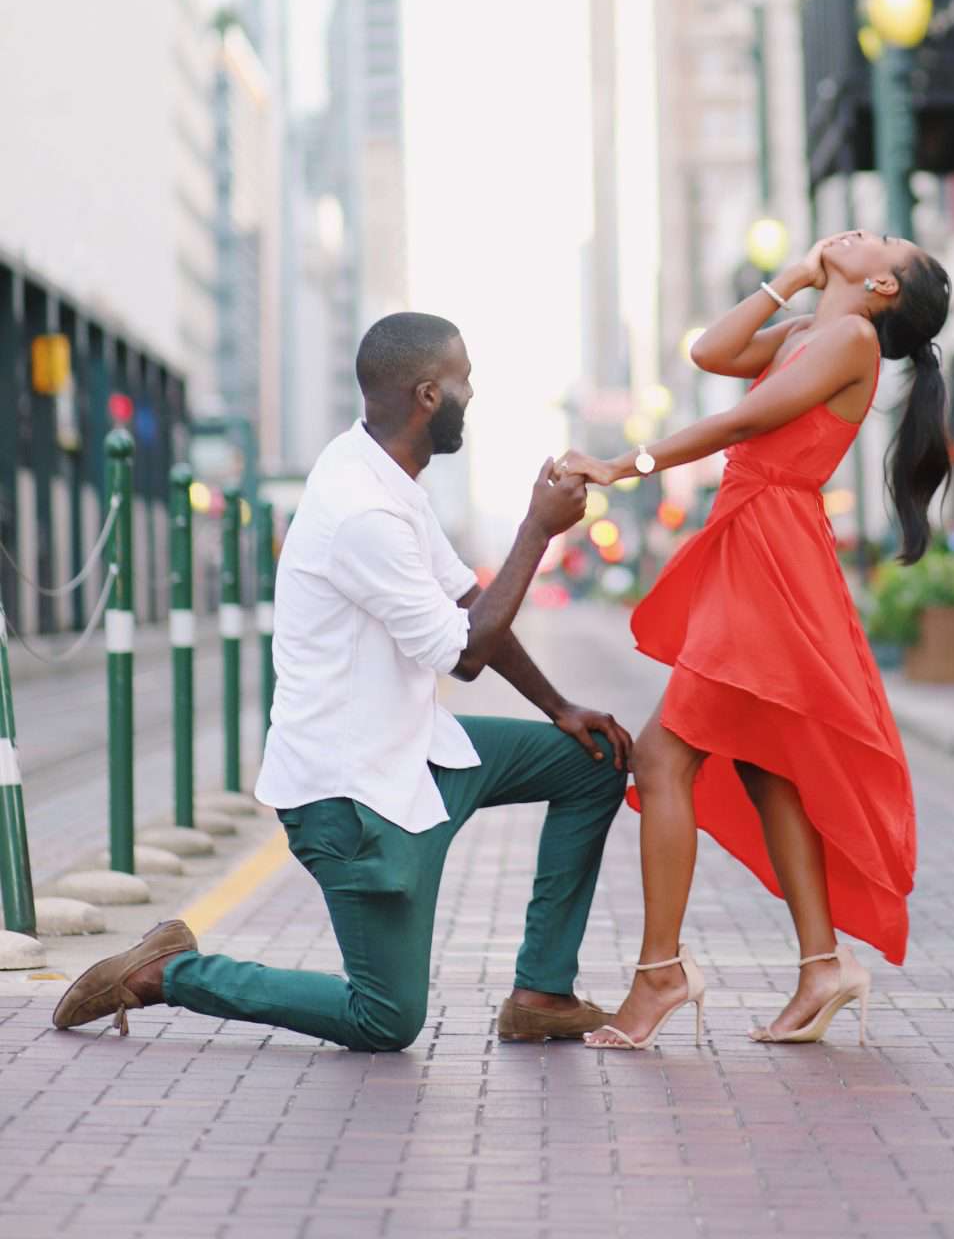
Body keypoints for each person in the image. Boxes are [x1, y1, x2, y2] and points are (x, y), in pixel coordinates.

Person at [54, 313, 632, 1051]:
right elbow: (463, 651)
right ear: (428, 395)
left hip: (420, 755)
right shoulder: (359, 510)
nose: (472, 395)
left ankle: (542, 994)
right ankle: (169, 974)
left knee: (592, 760)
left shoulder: (384, 475)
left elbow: (464, 601)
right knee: (385, 1020)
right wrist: (535, 531)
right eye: (465, 382)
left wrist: (560, 707)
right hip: (352, 798)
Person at [561, 229, 951, 1051]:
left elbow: (744, 419)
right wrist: (792, 277)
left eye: (878, 240)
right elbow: (711, 353)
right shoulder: (814, 328)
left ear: (881, 284)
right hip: (756, 541)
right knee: (766, 763)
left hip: (772, 550)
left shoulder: (846, 340)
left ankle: (660, 974)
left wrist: (617, 465)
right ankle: (822, 965)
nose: (855, 233)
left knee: (666, 757)